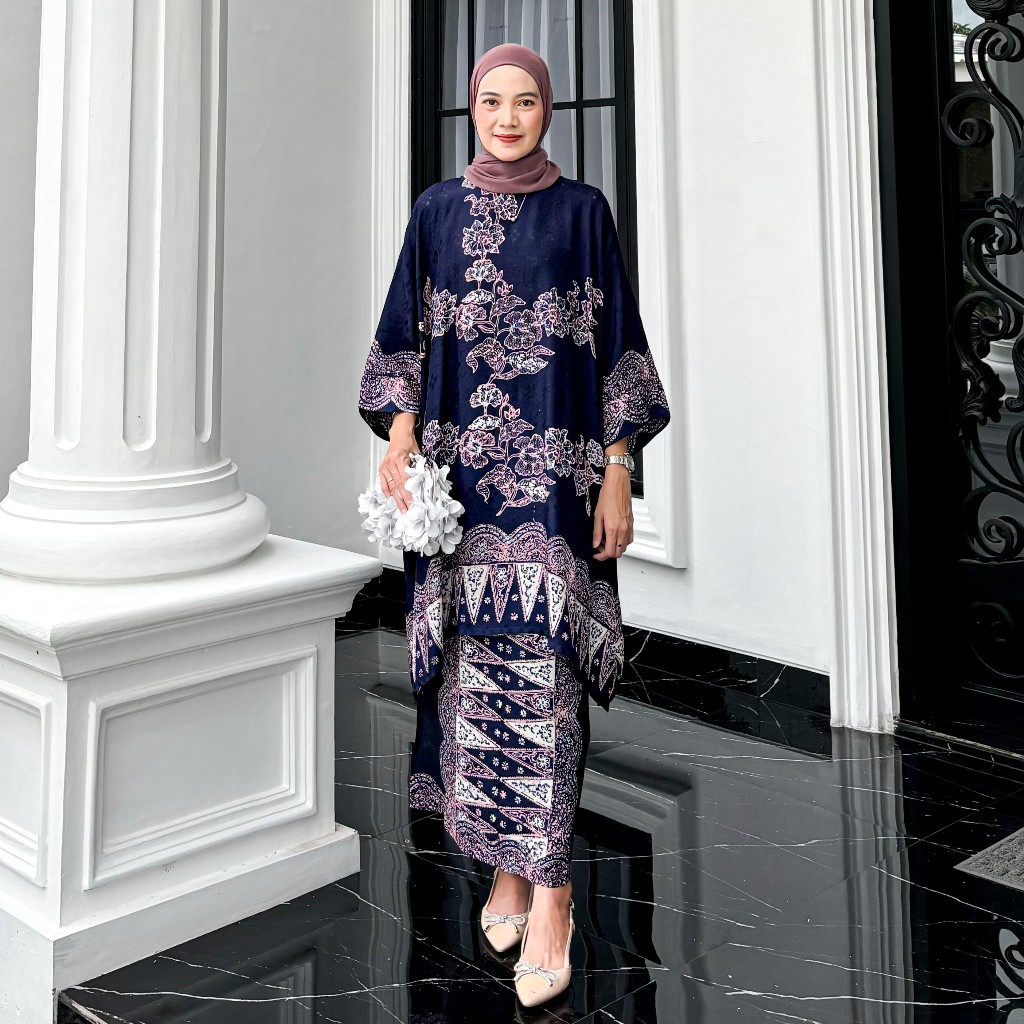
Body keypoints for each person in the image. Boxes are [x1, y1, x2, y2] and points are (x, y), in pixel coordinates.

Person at [357, 42, 670, 1007]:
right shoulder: (435, 212)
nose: (506, 117)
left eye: (524, 101)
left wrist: (617, 473)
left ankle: (553, 895)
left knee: (546, 684)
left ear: (547, 112)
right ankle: (505, 872)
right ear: (471, 109)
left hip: (558, 494)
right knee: (474, 686)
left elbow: (619, 352)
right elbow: (402, 339)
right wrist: (400, 439)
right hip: (462, 495)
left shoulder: (583, 214)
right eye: (490, 100)